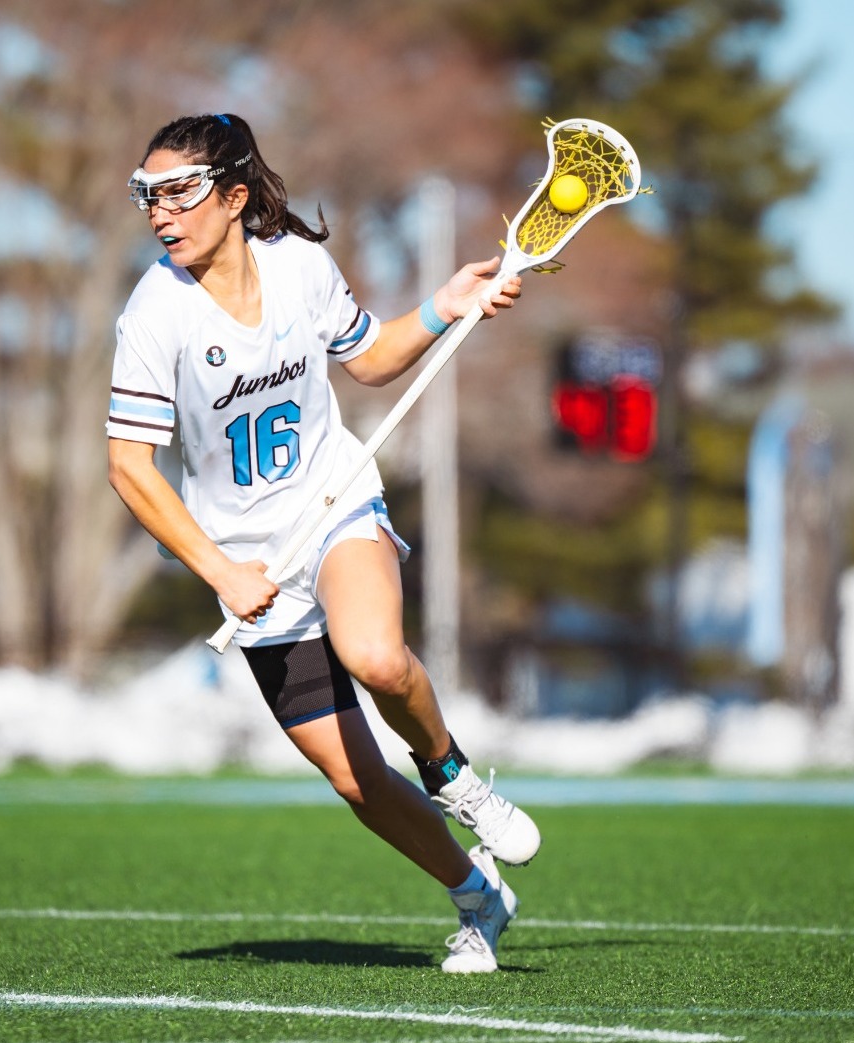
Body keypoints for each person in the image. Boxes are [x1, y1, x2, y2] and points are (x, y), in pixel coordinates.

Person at [106, 114, 541, 974]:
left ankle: (452, 772)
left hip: (336, 504)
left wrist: (443, 308)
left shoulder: (300, 267)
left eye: (180, 192)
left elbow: (371, 358)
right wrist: (222, 570)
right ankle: (477, 897)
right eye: (148, 195)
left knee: (375, 656)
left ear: (233, 197)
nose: (161, 212)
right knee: (356, 782)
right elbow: (129, 467)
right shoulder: (153, 315)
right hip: (249, 562)